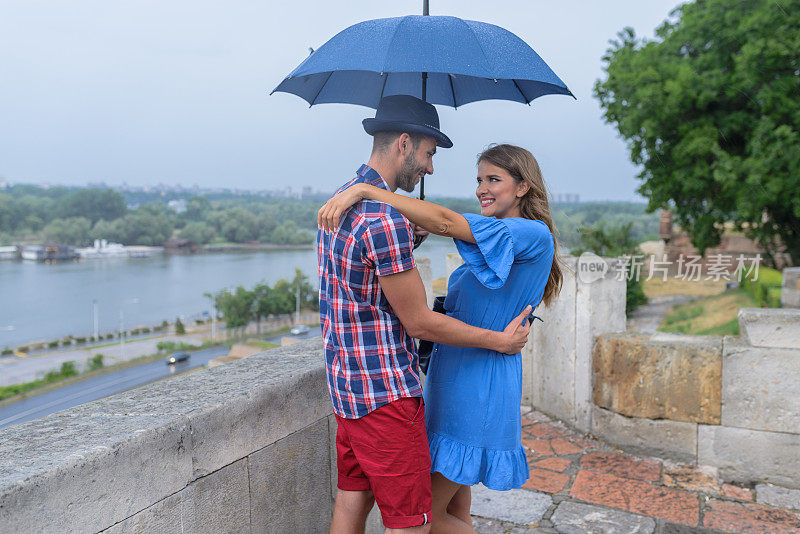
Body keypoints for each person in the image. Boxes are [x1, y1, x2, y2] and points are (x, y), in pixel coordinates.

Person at [319, 143, 563, 534]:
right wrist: (413, 236)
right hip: (450, 380)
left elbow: (447, 222)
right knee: (456, 506)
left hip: (478, 384)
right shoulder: (498, 240)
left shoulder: (531, 234)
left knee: (424, 516)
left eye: (494, 180)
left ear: (523, 187)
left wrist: (368, 192)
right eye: (479, 179)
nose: (483, 188)